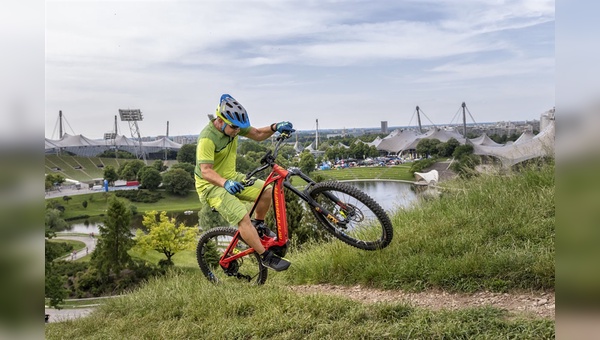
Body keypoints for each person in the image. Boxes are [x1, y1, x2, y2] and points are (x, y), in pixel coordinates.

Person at [195, 94, 295, 271]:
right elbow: (206, 171)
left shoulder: (234, 127)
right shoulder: (207, 138)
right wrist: (225, 183)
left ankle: (258, 225)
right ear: (220, 120)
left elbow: (257, 134)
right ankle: (266, 257)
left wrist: (275, 126)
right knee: (242, 216)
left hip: (232, 177)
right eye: (234, 128)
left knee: (267, 190)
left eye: (238, 128)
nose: (237, 131)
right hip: (211, 186)